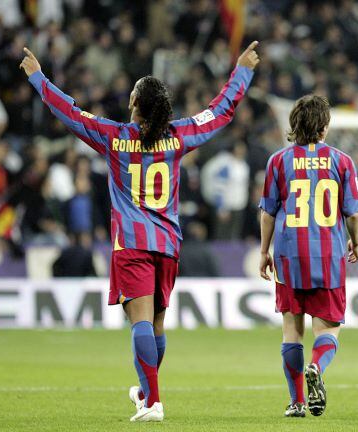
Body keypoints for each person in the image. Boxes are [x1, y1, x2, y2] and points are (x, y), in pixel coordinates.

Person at [20, 42, 260, 422]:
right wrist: (242, 70)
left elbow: (69, 112)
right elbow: (219, 112)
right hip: (167, 243)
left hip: (132, 242)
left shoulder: (114, 137)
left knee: (141, 322)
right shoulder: (178, 136)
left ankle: (153, 402)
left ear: (135, 101)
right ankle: (147, 392)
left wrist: (38, 77)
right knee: (157, 323)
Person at [258, 95, 358, 418]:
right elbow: (354, 213)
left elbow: (268, 212)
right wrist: (355, 242)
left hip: (289, 256)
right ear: (325, 125)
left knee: (292, 329)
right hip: (328, 257)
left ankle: (297, 402)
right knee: (327, 330)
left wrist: (264, 251)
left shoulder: (278, 161)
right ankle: (316, 366)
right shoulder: (342, 161)